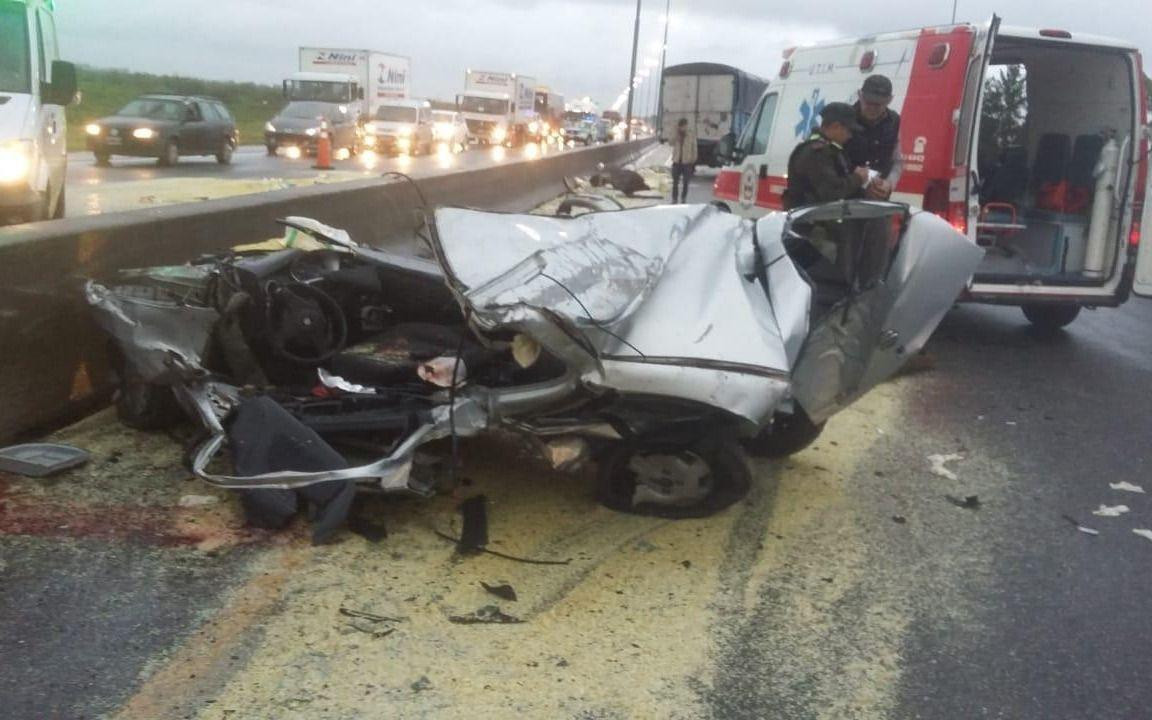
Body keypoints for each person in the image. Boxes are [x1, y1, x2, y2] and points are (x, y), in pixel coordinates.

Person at [782, 102, 871, 210]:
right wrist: (858, 178)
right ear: (836, 126)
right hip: (811, 222)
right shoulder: (816, 153)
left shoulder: (831, 150)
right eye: (848, 131)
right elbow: (832, 191)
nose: (850, 136)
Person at [844, 74, 902, 200]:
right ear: (860, 95)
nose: (872, 108)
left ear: (889, 100)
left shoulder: (894, 121)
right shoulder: (844, 119)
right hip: (846, 199)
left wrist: (889, 184)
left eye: (879, 104)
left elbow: (897, 161)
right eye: (868, 102)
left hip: (877, 201)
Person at [670, 118, 698, 203]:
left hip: (687, 162)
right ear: (680, 126)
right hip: (677, 161)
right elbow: (670, 142)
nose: (684, 128)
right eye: (683, 126)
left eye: (686, 126)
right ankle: (674, 199)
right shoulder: (676, 134)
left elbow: (694, 147)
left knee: (686, 182)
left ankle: (683, 198)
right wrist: (676, 134)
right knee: (675, 182)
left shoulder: (690, 134)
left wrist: (693, 159)